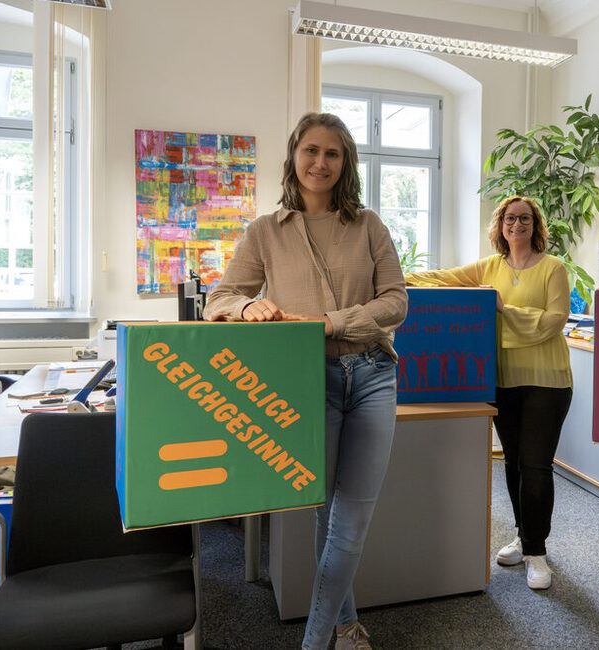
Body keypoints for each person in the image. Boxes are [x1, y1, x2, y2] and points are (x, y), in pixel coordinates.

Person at [204, 112, 407, 650]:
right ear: (294, 155)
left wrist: (331, 323)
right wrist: (246, 307)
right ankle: (345, 626)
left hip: (372, 375)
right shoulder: (265, 231)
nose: (320, 162)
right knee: (326, 511)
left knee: (351, 520)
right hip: (308, 379)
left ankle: (314, 642)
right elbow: (219, 298)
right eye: (311, 151)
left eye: (332, 153)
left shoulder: (369, 225)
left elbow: (396, 302)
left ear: (346, 163)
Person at [405, 196, 572, 590]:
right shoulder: (489, 267)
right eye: (510, 218)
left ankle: (536, 552)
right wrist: (394, 276)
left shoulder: (553, 267)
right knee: (513, 462)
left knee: (536, 465)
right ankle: (522, 536)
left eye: (525, 218)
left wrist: (502, 308)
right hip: (501, 379)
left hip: (547, 380)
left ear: (535, 225)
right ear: (500, 225)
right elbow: (441, 278)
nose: (517, 224)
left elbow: (554, 320)